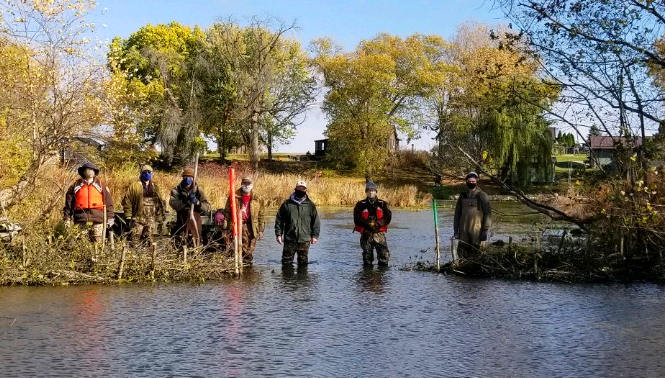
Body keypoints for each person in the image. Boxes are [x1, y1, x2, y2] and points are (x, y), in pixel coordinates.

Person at [63, 162, 114, 243]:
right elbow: (68, 204)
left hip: (98, 220)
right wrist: (67, 219)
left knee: (98, 243)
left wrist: (110, 218)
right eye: (88, 169)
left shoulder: (101, 185)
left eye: (92, 170)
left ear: (94, 172)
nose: (90, 171)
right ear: (83, 171)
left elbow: (109, 203)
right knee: (81, 244)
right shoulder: (75, 186)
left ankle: (97, 256)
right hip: (80, 219)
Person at [275, 180, 320, 267]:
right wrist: (278, 234)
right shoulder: (286, 204)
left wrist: (315, 236)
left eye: (303, 189)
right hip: (289, 239)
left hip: (305, 239)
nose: (301, 190)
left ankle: (301, 281)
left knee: (303, 265)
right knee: (286, 264)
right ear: (295, 189)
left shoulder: (310, 205)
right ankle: (287, 281)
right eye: (299, 188)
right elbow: (279, 220)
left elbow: (316, 222)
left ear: (306, 190)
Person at [121, 165, 166, 247]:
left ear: (152, 174)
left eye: (149, 172)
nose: (147, 174)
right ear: (141, 173)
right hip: (138, 218)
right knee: (135, 240)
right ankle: (134, 257)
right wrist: (128, 216)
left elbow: (160, 203)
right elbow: (127, 201)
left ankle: (149, 258)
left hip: (151, 219)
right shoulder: (134, 186)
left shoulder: (155, 187)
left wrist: (160, 216)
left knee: (150, 241)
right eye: (145, 172)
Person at [223, 177, 265, 264]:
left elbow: (261, 216)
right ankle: (239, 267)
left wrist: (261, 230)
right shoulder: (234, 196)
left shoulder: (257, 198)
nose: (246, 186)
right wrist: (226, 228)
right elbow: (227, 212)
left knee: (249, 250)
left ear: (252, 185)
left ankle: (248, 271)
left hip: (252, 226)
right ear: (241, 184)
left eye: (248, 184)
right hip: (238, 225)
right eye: (244, 183)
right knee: (238, 248)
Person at [353, 181, 392, 267]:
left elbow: (388, 217)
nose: (371, 192)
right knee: (367, 259)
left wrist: (377, 224)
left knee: (384, 256)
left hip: (379, 234)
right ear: (366, 192)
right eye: (369, 190)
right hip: (366, 234)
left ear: (376, 191)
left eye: (373, 190)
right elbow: (356, 219)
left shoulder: (383, 204)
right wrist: (367, 224)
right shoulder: (360, 204)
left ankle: (382, 276)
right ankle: (367, 277)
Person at [453, 172, 491, 258]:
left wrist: (485, 230)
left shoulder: (482, 195)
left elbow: (487, 214)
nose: (471, 183)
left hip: (477, 231)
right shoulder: (462, 196)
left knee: (477, 254)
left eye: (473, 181)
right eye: (469, 181)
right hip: (463, 231)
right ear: (466, 181)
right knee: (462, 254)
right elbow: (457, 214)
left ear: (477, 181)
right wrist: (455, 230)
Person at [169, 168, 210, 246]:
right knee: (182, 242)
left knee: (196, 242)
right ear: (183, 178)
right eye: (186, 177)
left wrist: (197, 203)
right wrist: (186, 201)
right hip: (182, 220)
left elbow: (207, 208)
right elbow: (173, 204)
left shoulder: (198, 190)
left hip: (195, 220)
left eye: (190, 177)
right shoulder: (176, 190)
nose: (188, 179)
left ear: (193, 178)